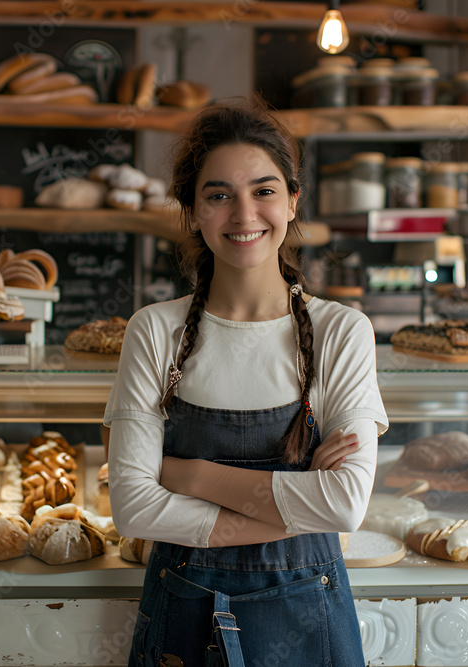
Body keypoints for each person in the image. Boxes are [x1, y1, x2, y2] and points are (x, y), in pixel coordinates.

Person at [104, 100, 389, 667]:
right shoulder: (154, 331)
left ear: (291, 200)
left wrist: (186, 473)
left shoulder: (342, 332)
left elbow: (345, 506)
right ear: (192, 211)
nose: (243, 213)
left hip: (311, 621)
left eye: (263, 190)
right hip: (182, 617)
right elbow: (134, 509)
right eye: (218, 195)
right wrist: (295, 503)